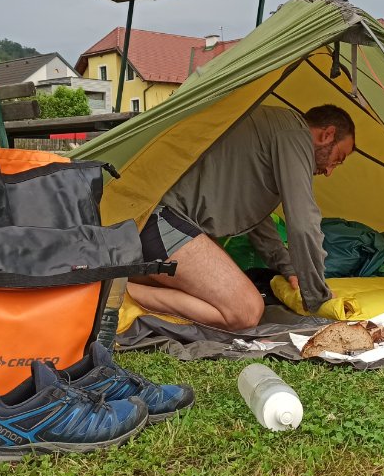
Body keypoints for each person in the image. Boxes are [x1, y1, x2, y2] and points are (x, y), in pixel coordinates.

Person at [126, 104, 355, 330]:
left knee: (216, 295)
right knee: (246, 310)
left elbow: (257, 221)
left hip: (154, 219)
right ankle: (117, 294)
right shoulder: (295, 134)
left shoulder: (274, 132)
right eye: (338, 158)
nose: (329, 171)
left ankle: (122, 280)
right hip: (163, 221)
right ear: (328, 135)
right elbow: (303, 221)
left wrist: (289, 268)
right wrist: (317, 295)